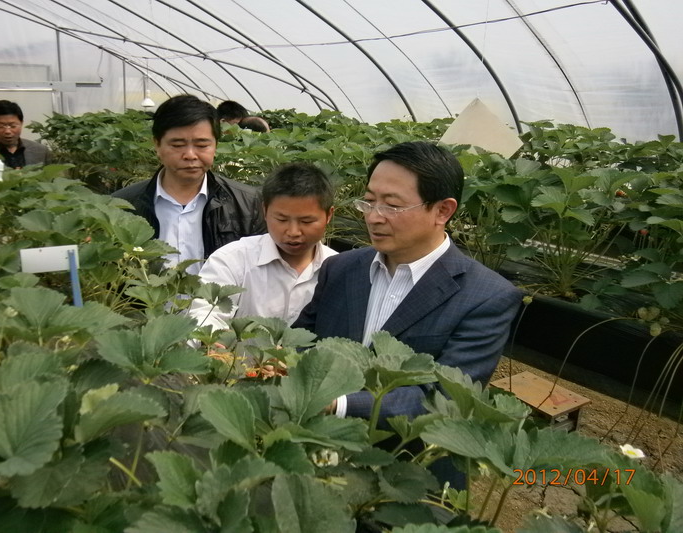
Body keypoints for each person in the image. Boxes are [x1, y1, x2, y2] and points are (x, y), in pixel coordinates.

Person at [294, 141, 522, 424]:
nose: (373, 217)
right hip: (313, 435)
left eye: (392, 206)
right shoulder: (340, 268)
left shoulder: (486, 297)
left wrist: (335, 403)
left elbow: (445, 398)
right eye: (369, 201)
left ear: (443, 211)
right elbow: (301, 341)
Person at [112, 94, 265, 274]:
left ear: (215, 145)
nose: (190, 155)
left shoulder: (249, 204)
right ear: (157, 145)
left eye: (202, 145)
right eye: (177, 145)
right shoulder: (120, 207)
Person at [188, 162, 336, 330]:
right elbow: (204, 314)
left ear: (329, 215)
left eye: (306, 221)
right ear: (264, 211)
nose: (293, 232)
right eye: (281, 219)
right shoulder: (232, 260)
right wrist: (210, 339)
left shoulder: (340, 269)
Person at [0, 100, 52, 169]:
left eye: (13, 126)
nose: (7, 131)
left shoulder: (41, 151)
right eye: (1, 126)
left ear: (21, 123)